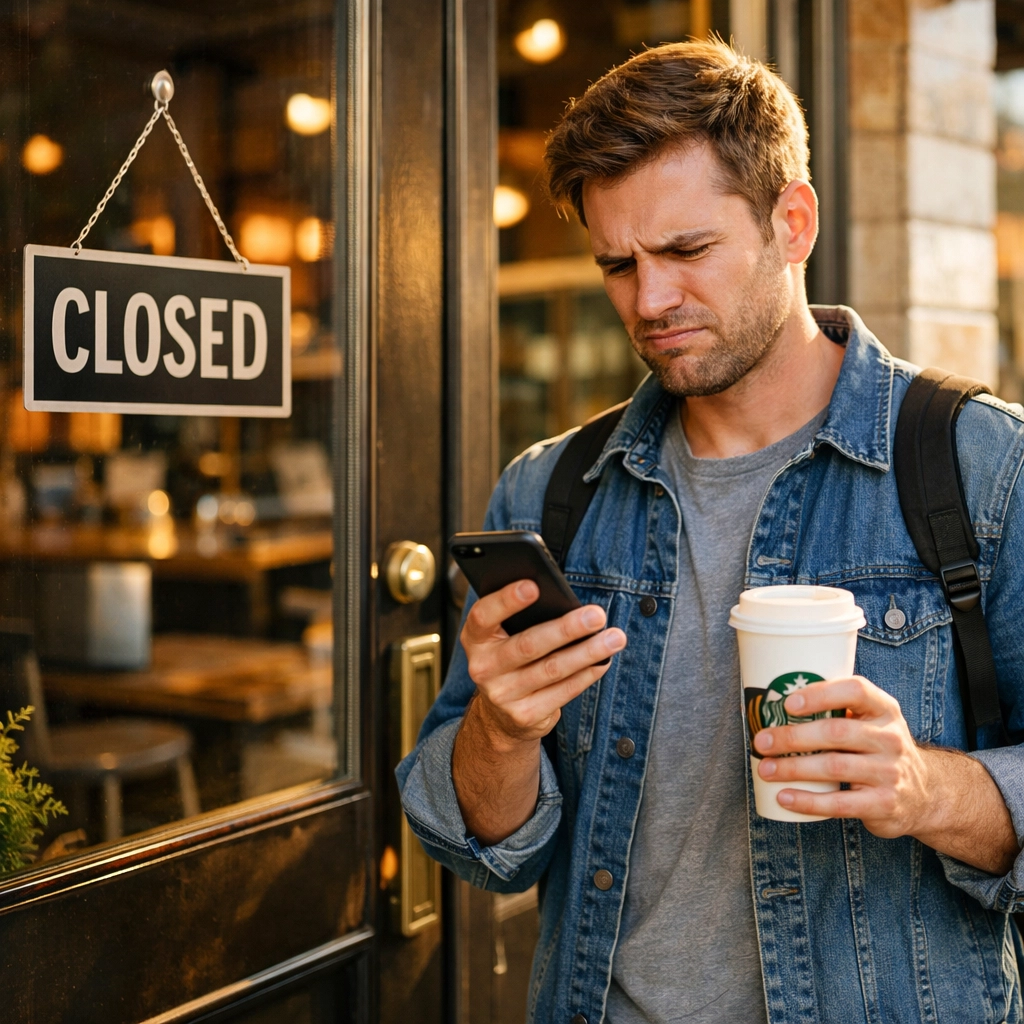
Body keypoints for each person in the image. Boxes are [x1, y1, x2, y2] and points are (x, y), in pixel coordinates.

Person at [396, 39, 1024, 1024]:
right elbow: (479, 843)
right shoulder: (549, 493)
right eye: (617, 265)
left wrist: (922, 788)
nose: (647, 302)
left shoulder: (980, 470)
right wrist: (500, 727)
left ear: (792, 220)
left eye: (685, 251)